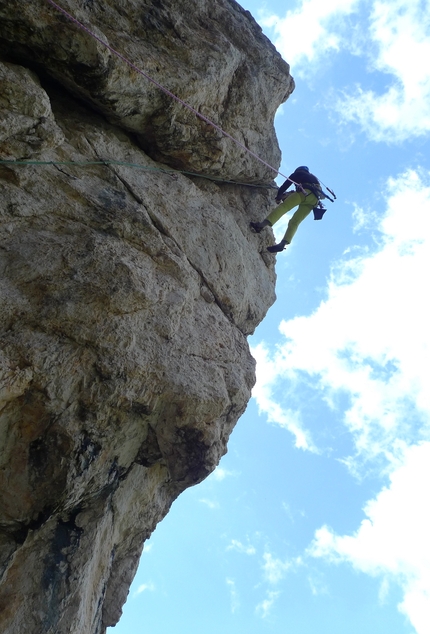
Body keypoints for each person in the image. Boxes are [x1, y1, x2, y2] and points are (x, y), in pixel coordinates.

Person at [250, 166, 323, 253]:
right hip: (314, 201)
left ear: (298, 170)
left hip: (304, 193)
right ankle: (283, 244)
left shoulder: (298, 174)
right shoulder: (314, 179)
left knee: (284, 207)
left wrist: (278, 196)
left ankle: (260, 225)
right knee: (295, 221)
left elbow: (285, 185)